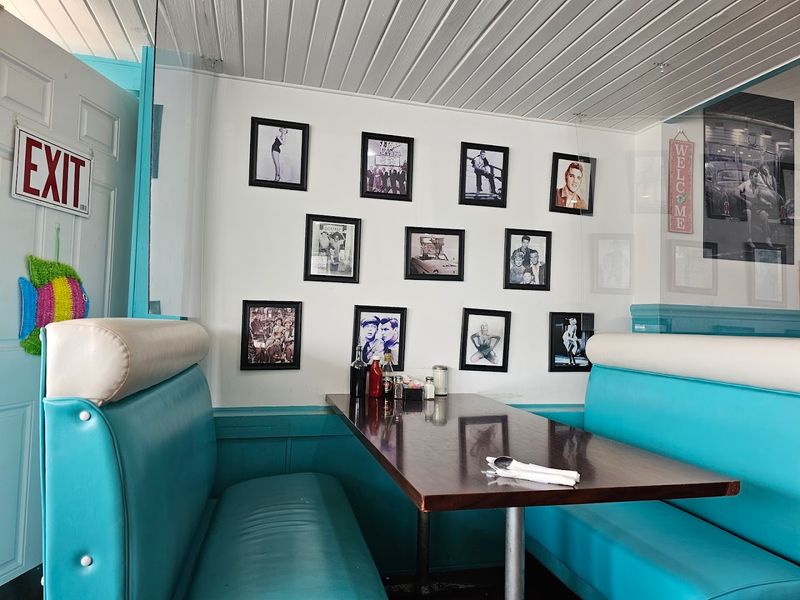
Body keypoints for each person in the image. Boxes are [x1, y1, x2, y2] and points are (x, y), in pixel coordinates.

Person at [738, 168, 773, 246]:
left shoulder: (757, 187)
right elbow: (735, 193)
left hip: (755, 209)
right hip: (745, 209)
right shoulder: (745, 184)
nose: (757, 178)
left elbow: (760, 198)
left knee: (763, 214)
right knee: (749, 212)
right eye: (755, 176)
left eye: (758, 176)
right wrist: (745, 201)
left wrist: (767, 203)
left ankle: (767, 238)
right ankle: (749, 238)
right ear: (750, 177)